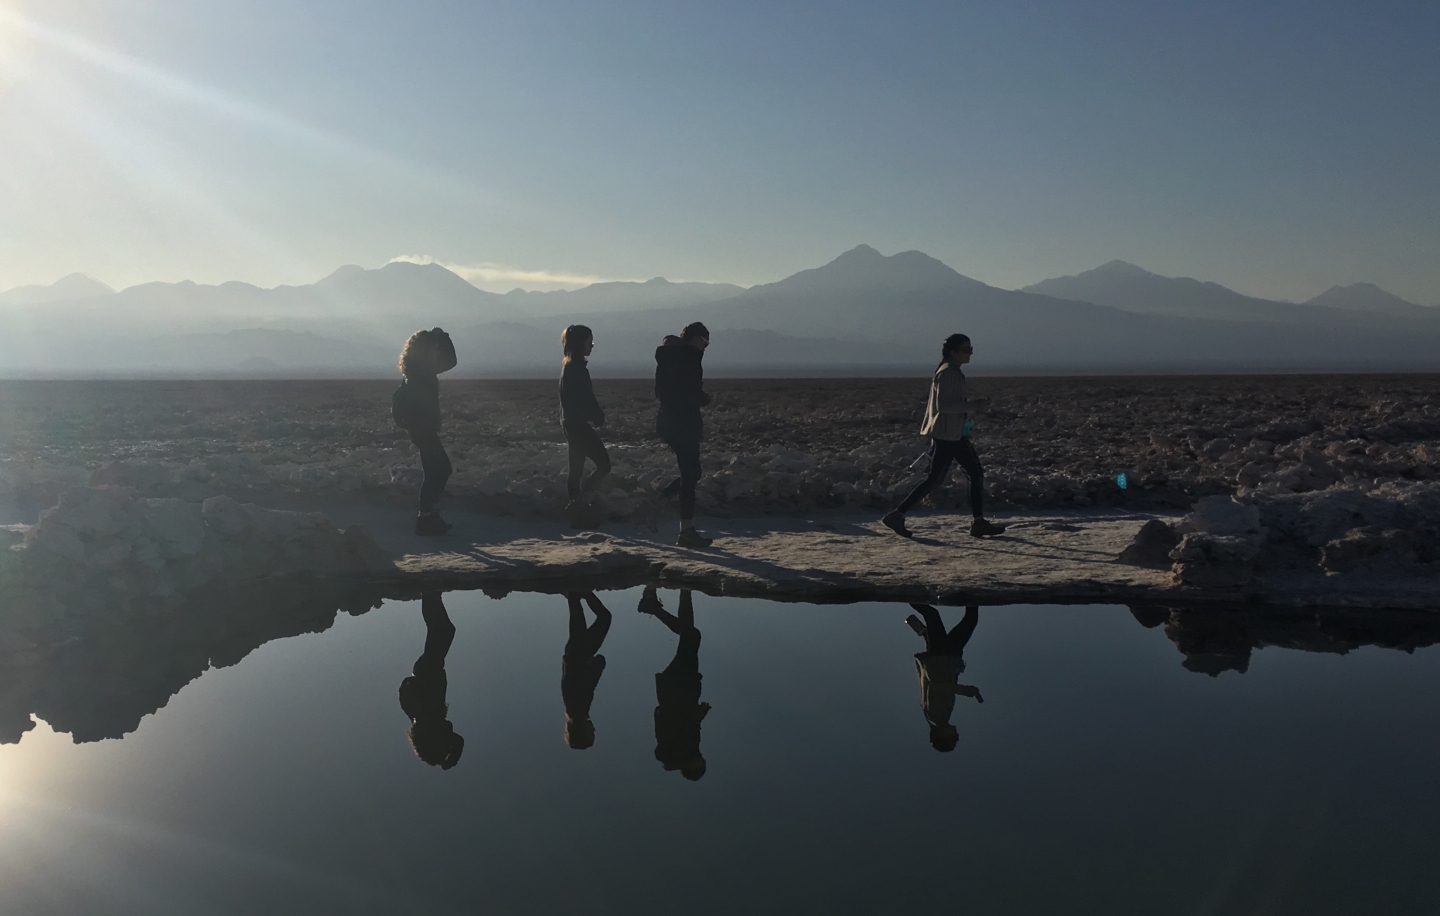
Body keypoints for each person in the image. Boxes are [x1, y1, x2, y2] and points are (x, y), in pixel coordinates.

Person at [883, 333, 1006, 539]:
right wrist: (974, 406)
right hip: (949, 435)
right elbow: (945, 406)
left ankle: (978, 522)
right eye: (966, 350)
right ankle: (898, 515)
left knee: (952, 477)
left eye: (971, 349)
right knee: (956, 477)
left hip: (951, 434)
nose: (970, 354)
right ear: (953, 352)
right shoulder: (949, 373)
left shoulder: (950, 371)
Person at [638, 587, 709, 780]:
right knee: (691, 635)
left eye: (701, 764)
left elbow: (682, 722)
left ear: (694, 767)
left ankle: (684, 590)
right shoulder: (675, 749)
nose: (703, 759)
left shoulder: (684, 749)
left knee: (691, 636)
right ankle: (654, 606)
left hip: (680, 688)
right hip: (674, 689)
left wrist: (697, 714)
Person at [654, 322, 713, 548]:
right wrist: (702, 398)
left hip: (669, 421)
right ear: (695, 339)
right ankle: (685, 530)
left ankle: (657, 504)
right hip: (683, 423)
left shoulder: (668, 357)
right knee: (690, 474)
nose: (706, 347)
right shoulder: (688, 358)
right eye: (704, 341)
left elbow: (664, 391)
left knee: (691, 472)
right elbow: (687, 392)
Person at [396, 328, 458, 536]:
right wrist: (443, 337)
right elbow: (451, 361)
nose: (435, 351)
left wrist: (440, 338)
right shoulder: (422, 371)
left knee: (436, 471)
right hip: (424, 430)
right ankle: (426, 518)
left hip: (422, 429)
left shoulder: (415, 369)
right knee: (439, 471)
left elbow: (449, 362)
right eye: (432, 347)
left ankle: (429, 517)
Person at [398, 592, 465, 769]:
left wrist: (418, 682)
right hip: (432, 668)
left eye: (442, 748)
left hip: (427, 670)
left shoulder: (422, 718)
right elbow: (458, 741)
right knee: (443, 630)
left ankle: (430, 594)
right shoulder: (435, 723)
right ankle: (432, 595)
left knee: (441, 630)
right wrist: (450, 760)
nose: (446, 745)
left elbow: (405, 691)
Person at [906, 603, 983, 753]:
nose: (957, 736)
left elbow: (936, 688)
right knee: (965, 619)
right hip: (945, 656)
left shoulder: (936, 717)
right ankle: (968, 594)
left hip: (942, 656)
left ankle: (905, 592)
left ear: (941, 736)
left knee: (934, 615)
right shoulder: (938, 717)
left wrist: (964, 690)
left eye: (953, 739)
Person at [558, 325, 613, 527]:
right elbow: (584, 396)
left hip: (570, 423)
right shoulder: (576, 368)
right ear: (581, 343)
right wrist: (596, 415)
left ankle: (577, 507)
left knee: (576, 469)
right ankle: (582, 502)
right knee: (603, 464)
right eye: (590, 341)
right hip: (577, 424)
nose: (592, 345)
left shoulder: (569, 365)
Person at [560, 590, 612, 750]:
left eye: (591, 733)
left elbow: (587, 682)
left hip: (580, 656)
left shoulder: (578, 709)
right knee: (577, 617)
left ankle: (583, 590)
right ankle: (575, 591)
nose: (594, 729)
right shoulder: (573, 711)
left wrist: (598, 663)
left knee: (604, 618)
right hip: (574, 655)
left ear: (581, 732)